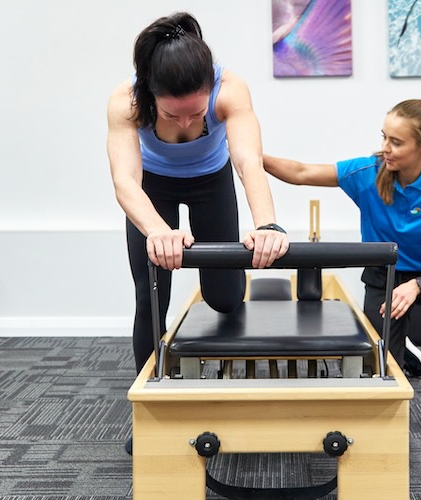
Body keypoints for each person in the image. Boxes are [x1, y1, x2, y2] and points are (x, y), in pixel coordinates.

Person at [106, 12, 289, 453]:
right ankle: (149, 413)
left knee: (224, 298)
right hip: (154, 187)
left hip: (211, 181)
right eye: (174, 114)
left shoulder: (231, 90)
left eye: (196, 113)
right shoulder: (125, 101)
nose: (188, 125)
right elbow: (125, 182)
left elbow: (248, 162)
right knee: (151, 298)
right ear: (152, 96)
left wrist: (266, 224)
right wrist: (156, 231)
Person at [263, 98, 421, 439]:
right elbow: (301, 172)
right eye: (384, 137)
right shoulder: (368, 171)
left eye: (396, 142)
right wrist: (250, 158)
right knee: (382, 372)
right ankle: (402, 351)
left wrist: (418, 285)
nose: (385, 149)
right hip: (386, 276)